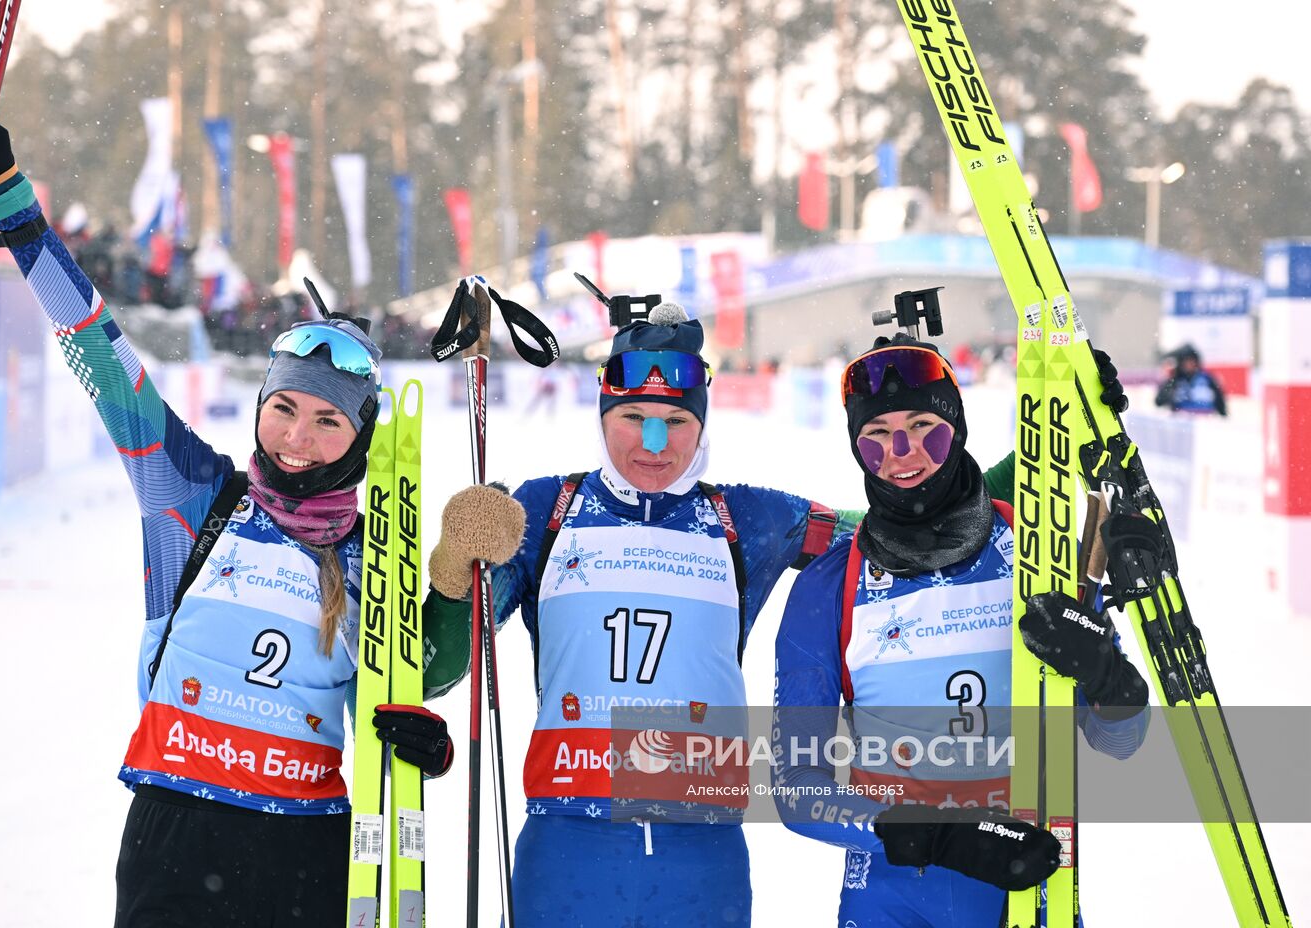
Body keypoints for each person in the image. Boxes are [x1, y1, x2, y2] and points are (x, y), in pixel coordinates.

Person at [0, 89, 454, 926]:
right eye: (285, 408)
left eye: (329, 422)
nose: (298, 437)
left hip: (310, 848)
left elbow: (406, 680)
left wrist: (418, 745)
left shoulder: (378, 554)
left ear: (360, 442)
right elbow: (102, 358)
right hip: (176, 834)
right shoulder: (189, 496)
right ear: (260, 406)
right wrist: (10, 199)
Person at [417, 295, 1035, 927]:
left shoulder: (749, 519)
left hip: (702, 855)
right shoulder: (544, 509)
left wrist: (1038, 454)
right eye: (632, 416)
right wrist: (451, 572)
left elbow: (905, 513)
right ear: (603, 414)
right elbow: (435, 673)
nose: (653, 442)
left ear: (703, 422)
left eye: (677, 421)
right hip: (569, 845)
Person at [771, 334, 1151, 927]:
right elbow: (797, 789)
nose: (901, 451)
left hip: (1028, 896)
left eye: (923, 424)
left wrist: (1108, 674)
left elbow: (1120, 739)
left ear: (957, 423)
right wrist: (941, 837)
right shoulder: (829, 587)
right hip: (891, 902)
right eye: (875, 434)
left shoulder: (1036, 550)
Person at [1155, 343, 1227, 416]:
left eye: (1191, 361)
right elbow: (1159, 401)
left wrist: (1223, 415)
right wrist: (1171, 393)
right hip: (1181, 420)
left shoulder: (1207, 379)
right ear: (1181, 363)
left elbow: (1220, 400)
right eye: (1186, 361)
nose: (1189, 364)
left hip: (1205, 420)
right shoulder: (1174, 380)